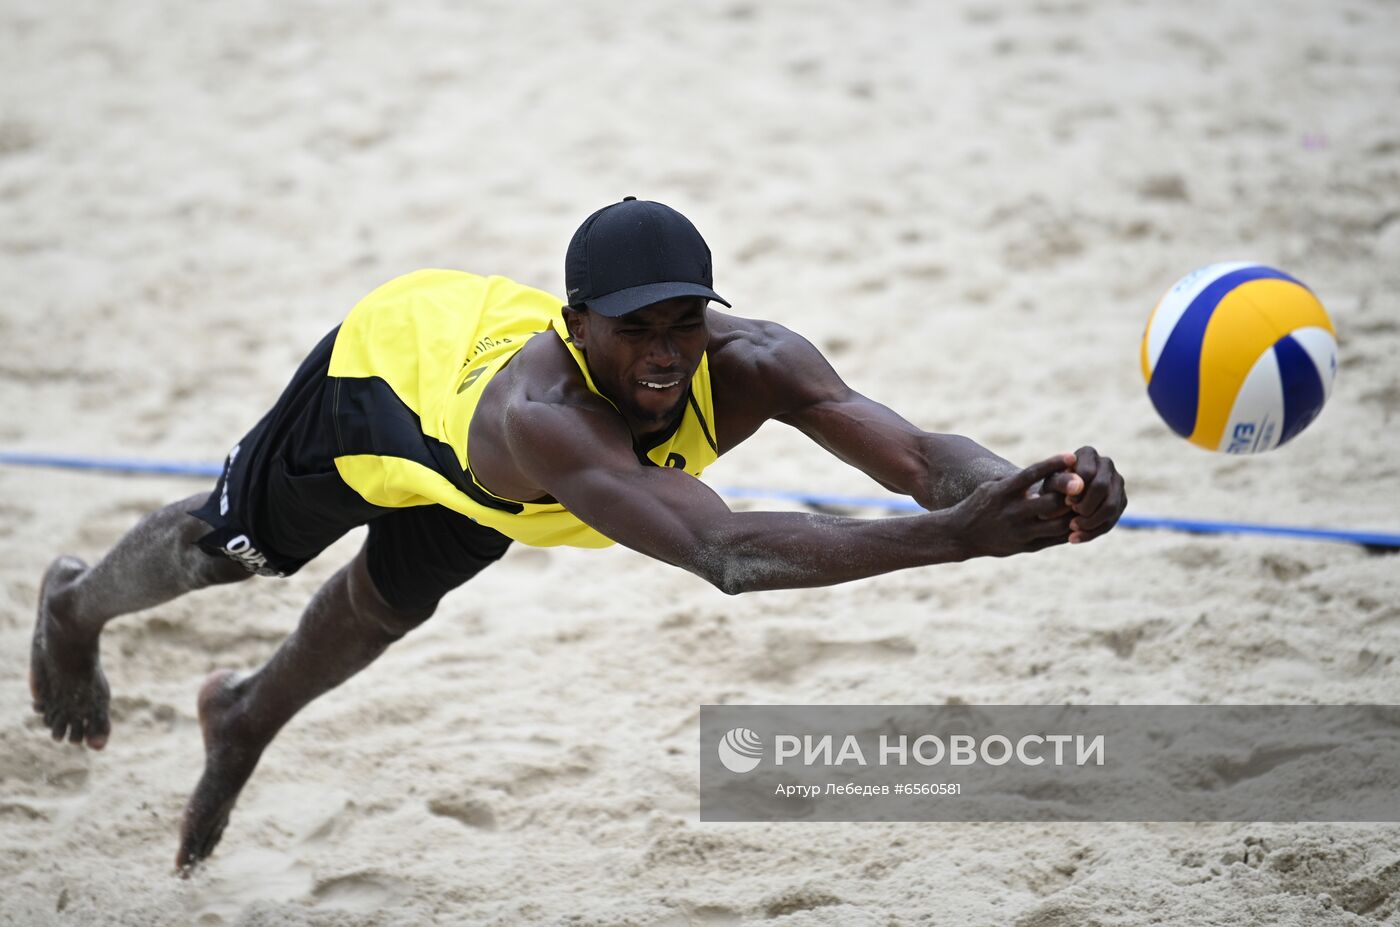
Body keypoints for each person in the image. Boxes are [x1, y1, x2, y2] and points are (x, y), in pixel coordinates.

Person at [29, 197, 1126, 871]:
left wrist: (1032, 486)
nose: (664, 354)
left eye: (683, 323)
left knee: (388, 607)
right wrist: (952, 540)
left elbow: (925, 458)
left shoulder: (750, 359)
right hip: (386, 384)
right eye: (632, 329)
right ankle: (74, 606)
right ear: (576, 324)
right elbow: (728, 555)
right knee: (235, 550)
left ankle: (241, 719)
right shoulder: (543, 420)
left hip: (495, 489)